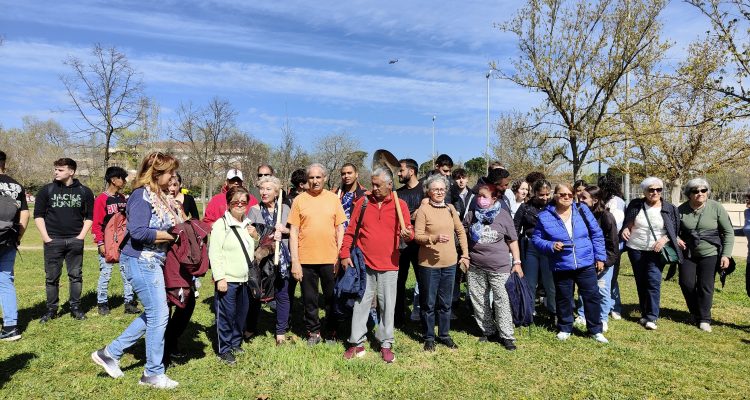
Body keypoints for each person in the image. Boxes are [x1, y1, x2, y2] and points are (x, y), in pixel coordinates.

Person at [91, 152, 181, 389]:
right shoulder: (141, 196)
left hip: (153, 261)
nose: (173, 176)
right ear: (157, 173)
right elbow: (139, 232)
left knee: (156, 314)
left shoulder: (158, 196)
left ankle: (111, 352)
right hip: (142, 261)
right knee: (159, 315)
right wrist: (171, 235)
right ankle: (152, 373)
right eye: (170, 172)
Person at [340, 168, 413, 363]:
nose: (373, 188)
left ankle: (386, 343)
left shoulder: (401, 205)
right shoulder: (363, 202)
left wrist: (409, 234)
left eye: (377, 185)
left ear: (390, 185)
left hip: (390, 264)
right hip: (363, 264)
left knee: (388, 306)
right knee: (360, 303)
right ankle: (356, 342)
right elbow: (351, 230)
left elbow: (408, 232)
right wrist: (345, 253)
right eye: (372, 184)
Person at [532, 183, 609, 343]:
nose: (566, 197)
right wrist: (551, 245)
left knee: (591, 296)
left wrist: (600, 257)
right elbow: (537, 239)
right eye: (562, 194)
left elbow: (596, 233)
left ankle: (595, 330)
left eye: (569, 194)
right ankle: (565, 327)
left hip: (585, 261)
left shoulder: (582, 209)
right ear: (555, 195)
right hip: (561, 263)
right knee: (564, 298)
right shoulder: (545, 215)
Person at [288, 163, 347, 345]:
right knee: (310, 300)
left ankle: (331, 331)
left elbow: (340, 229)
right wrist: (295, 262)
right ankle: (313, 332)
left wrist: (338, 256)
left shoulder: (333, 199)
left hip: (330, 259)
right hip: (306, 260)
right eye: (311, 178)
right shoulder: (299, 200)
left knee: (331, 298)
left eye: (318, 177)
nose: (314, 181)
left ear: (325, 178)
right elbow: (293, 232)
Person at [463, 181, 523, 350]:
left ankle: (507, 335)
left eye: (484, 196)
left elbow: (512, 240)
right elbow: (463, 234)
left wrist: (517, 262)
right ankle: (489, 331)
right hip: (476, 266)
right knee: (478, 299)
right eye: (478, 196)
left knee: (502, 300)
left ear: (495, 198)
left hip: (499, 267)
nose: (480, 199)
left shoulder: (504, 215)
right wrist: (465, 256)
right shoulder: (471, 214)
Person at [34, 158, 94, 322]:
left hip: (75, 241)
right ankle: (51, 310)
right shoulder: (47, 190)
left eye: (60, 170)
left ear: (71, 172)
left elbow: (90, 217)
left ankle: (75, 307)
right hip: (53, 241)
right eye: (55, 169)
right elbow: (38, 216)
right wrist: (46, 238)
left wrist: (80, 237)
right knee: (51, 278)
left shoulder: (84, 191)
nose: (56, 172)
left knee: (75, 276)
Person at [414, 174, 469, 351]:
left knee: (445, 303)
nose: (439, 192)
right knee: (428, 303)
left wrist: (465, 254)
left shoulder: (450, 209)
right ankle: (429, 336)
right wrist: (434, 238)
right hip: (428, 265)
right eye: (435, 189)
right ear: (428, 191)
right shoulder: (423, 210)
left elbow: (460, 232)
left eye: (442, 189)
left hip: (450, 263)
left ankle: (444, 334)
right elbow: (418, 236)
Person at [621, 177, 682, 331]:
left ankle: (652, 317)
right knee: (641, 282)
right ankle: (644, 312)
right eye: (651, 189)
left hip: (657, 251)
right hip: (636, 248)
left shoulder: (670, 208)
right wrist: (627, 228)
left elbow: (674, 230)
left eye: (658, 189)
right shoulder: (636, 204)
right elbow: (629, 220)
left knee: (653, 282)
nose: (655, 192)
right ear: (644, 191)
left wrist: (664, 239)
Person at [676, 178, 734, 332]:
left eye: (703, 190)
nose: (700, 194)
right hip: (688, 253)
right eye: (695, 191)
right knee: (686, 283)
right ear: (689, 194)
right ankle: (695, 312)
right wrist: (677, 239)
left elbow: (728, 232)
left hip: (711, 253)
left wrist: (726, 255)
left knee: (705, 286)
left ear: (707, 192)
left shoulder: (716, 207)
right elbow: (672, 230)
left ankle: (704, 319)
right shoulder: (680, 210)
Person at [209, 186, 255, 365]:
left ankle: (236, 342)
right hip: (228, 279)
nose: (240, 205)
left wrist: (255, 235)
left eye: (244, 202)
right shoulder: (222, 225)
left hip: (244, 279)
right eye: (236, 202)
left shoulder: (248, 224)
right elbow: (215, 252)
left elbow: (250, 250)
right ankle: (224, 349)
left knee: (240, 314)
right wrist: (220, 277)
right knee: (226, 315)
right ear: (228, 204)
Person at [246, 176, 293, 345]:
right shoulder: (254, 210)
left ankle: (280, 331)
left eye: (268, 189)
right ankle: (250, 327)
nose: (264, 192)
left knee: (283, 293)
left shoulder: (285, 209)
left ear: (277, 192)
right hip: (261, 260)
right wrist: (256, 234)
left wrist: (285, 230)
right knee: (255, 294)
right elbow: (249, 236)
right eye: (261, 189)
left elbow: (295, 231)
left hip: (282, 259)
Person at [93, 166, 140, 316]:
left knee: (127, 273)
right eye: (122, 178)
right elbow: (97, 224)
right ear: (113, 180)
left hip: (124, 242)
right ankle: (102, 303)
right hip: (107, 243)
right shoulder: (102, 199)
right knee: (106, 273)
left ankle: (129, 302)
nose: (124, 181)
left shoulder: (122, 199)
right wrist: (100, 243)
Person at [575, 186, 619, 333]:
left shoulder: (606, 217)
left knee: (602, 289)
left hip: (604, 259)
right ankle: (582, 314)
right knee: (584, 289)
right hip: (585, 259)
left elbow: (613, 244)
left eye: (584, 198)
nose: (580, 200)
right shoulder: (579, 214)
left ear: (595, 200)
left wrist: (605, 262)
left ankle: (602, 318)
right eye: (579, 197)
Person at [513, 179, 556, 315]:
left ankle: (553, 310)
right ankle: (528, 311)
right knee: (530, 282)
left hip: (548, 246)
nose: (545, 198)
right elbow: (515, 227)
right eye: (541, 195)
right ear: (534, 193)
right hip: (530, 247)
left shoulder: (554, 207)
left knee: (550, 283)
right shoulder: (525, 207)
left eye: (547, 194)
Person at [0, 150, 30, 341]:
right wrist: (18, 236)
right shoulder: (16, 185)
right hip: (8, 239)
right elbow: (25, 214)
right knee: (5, 281)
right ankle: (11, 327)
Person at [395, 158, 424, 326]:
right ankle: (398, 318)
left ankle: (422, 317)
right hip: (402, 245)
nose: (398, 173)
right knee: (399, 281)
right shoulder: (398, 194)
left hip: (420, 244)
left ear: (411, 171)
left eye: (401, 170)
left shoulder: (425, 192)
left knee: (424, 281)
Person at [598, 173, 626, 320]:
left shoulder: (617, 202)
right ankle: (606, 304)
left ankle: (614, 306)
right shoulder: (602, 201)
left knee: (611, 277)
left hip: (614, 245)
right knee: (604, 276)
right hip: (601, 244)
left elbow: (616, 225)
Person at [336, 163, 367, 230]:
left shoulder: (366, 195)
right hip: (336, 236)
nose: (346, 176)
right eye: (343, 174)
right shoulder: (334, 194)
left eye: (349, 173)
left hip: (355, 235)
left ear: (356, 174)